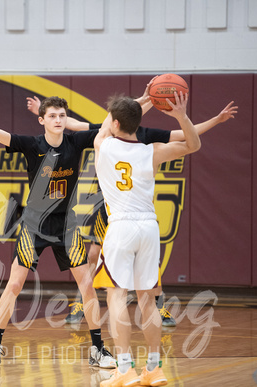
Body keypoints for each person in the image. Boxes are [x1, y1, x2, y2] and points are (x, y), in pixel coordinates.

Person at [0, 86, 117, 369]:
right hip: (34, 225)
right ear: (41, 119)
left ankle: (98, 349)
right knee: (15, 283)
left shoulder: (76, 142)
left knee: (87, 285)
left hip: (66, 226)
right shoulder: (31, 145)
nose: (58, 119)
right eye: (52, 115)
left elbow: (111, 124)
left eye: (62, 115)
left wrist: (142, 101)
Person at [27, 94, 238, 326]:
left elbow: (184, 135)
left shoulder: (122, 136)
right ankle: (82, 301)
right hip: (114, 210)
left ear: (117, 121)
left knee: (140, 270)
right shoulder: (110, 134)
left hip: (133, 209)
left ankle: (158, 306)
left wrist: (216, 120)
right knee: (94, 255)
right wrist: (41, 112)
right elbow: (73, 124)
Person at [95, 92, 200, 387]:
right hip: (148, 227)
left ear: (115, 122)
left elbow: (107, 125)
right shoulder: (152, 150)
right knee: (147, 299)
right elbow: (194, 144)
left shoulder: (102, 146)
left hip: (120, 227)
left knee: (116, 296)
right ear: (138, 124)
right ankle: (154, 368)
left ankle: (125, 369)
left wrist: (145, 98)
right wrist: (180, 114)